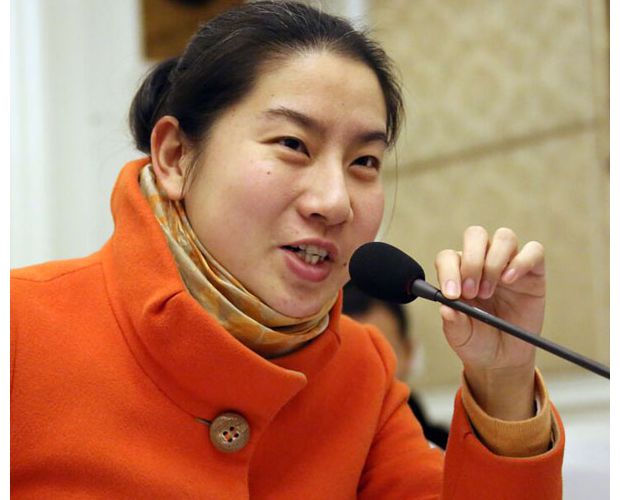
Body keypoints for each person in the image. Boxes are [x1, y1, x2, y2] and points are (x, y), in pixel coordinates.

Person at [10, 2, 564, 498]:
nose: (335, 202)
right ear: (176, 156)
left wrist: (503, 378)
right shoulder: (20, 327)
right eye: (293, 144)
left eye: (364, 162)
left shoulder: (361, 371)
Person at [342, 281, 450, 449]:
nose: (366, 374)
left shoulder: (447, 451)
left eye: (381, 354)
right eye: (349, 357)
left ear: (408, 352)